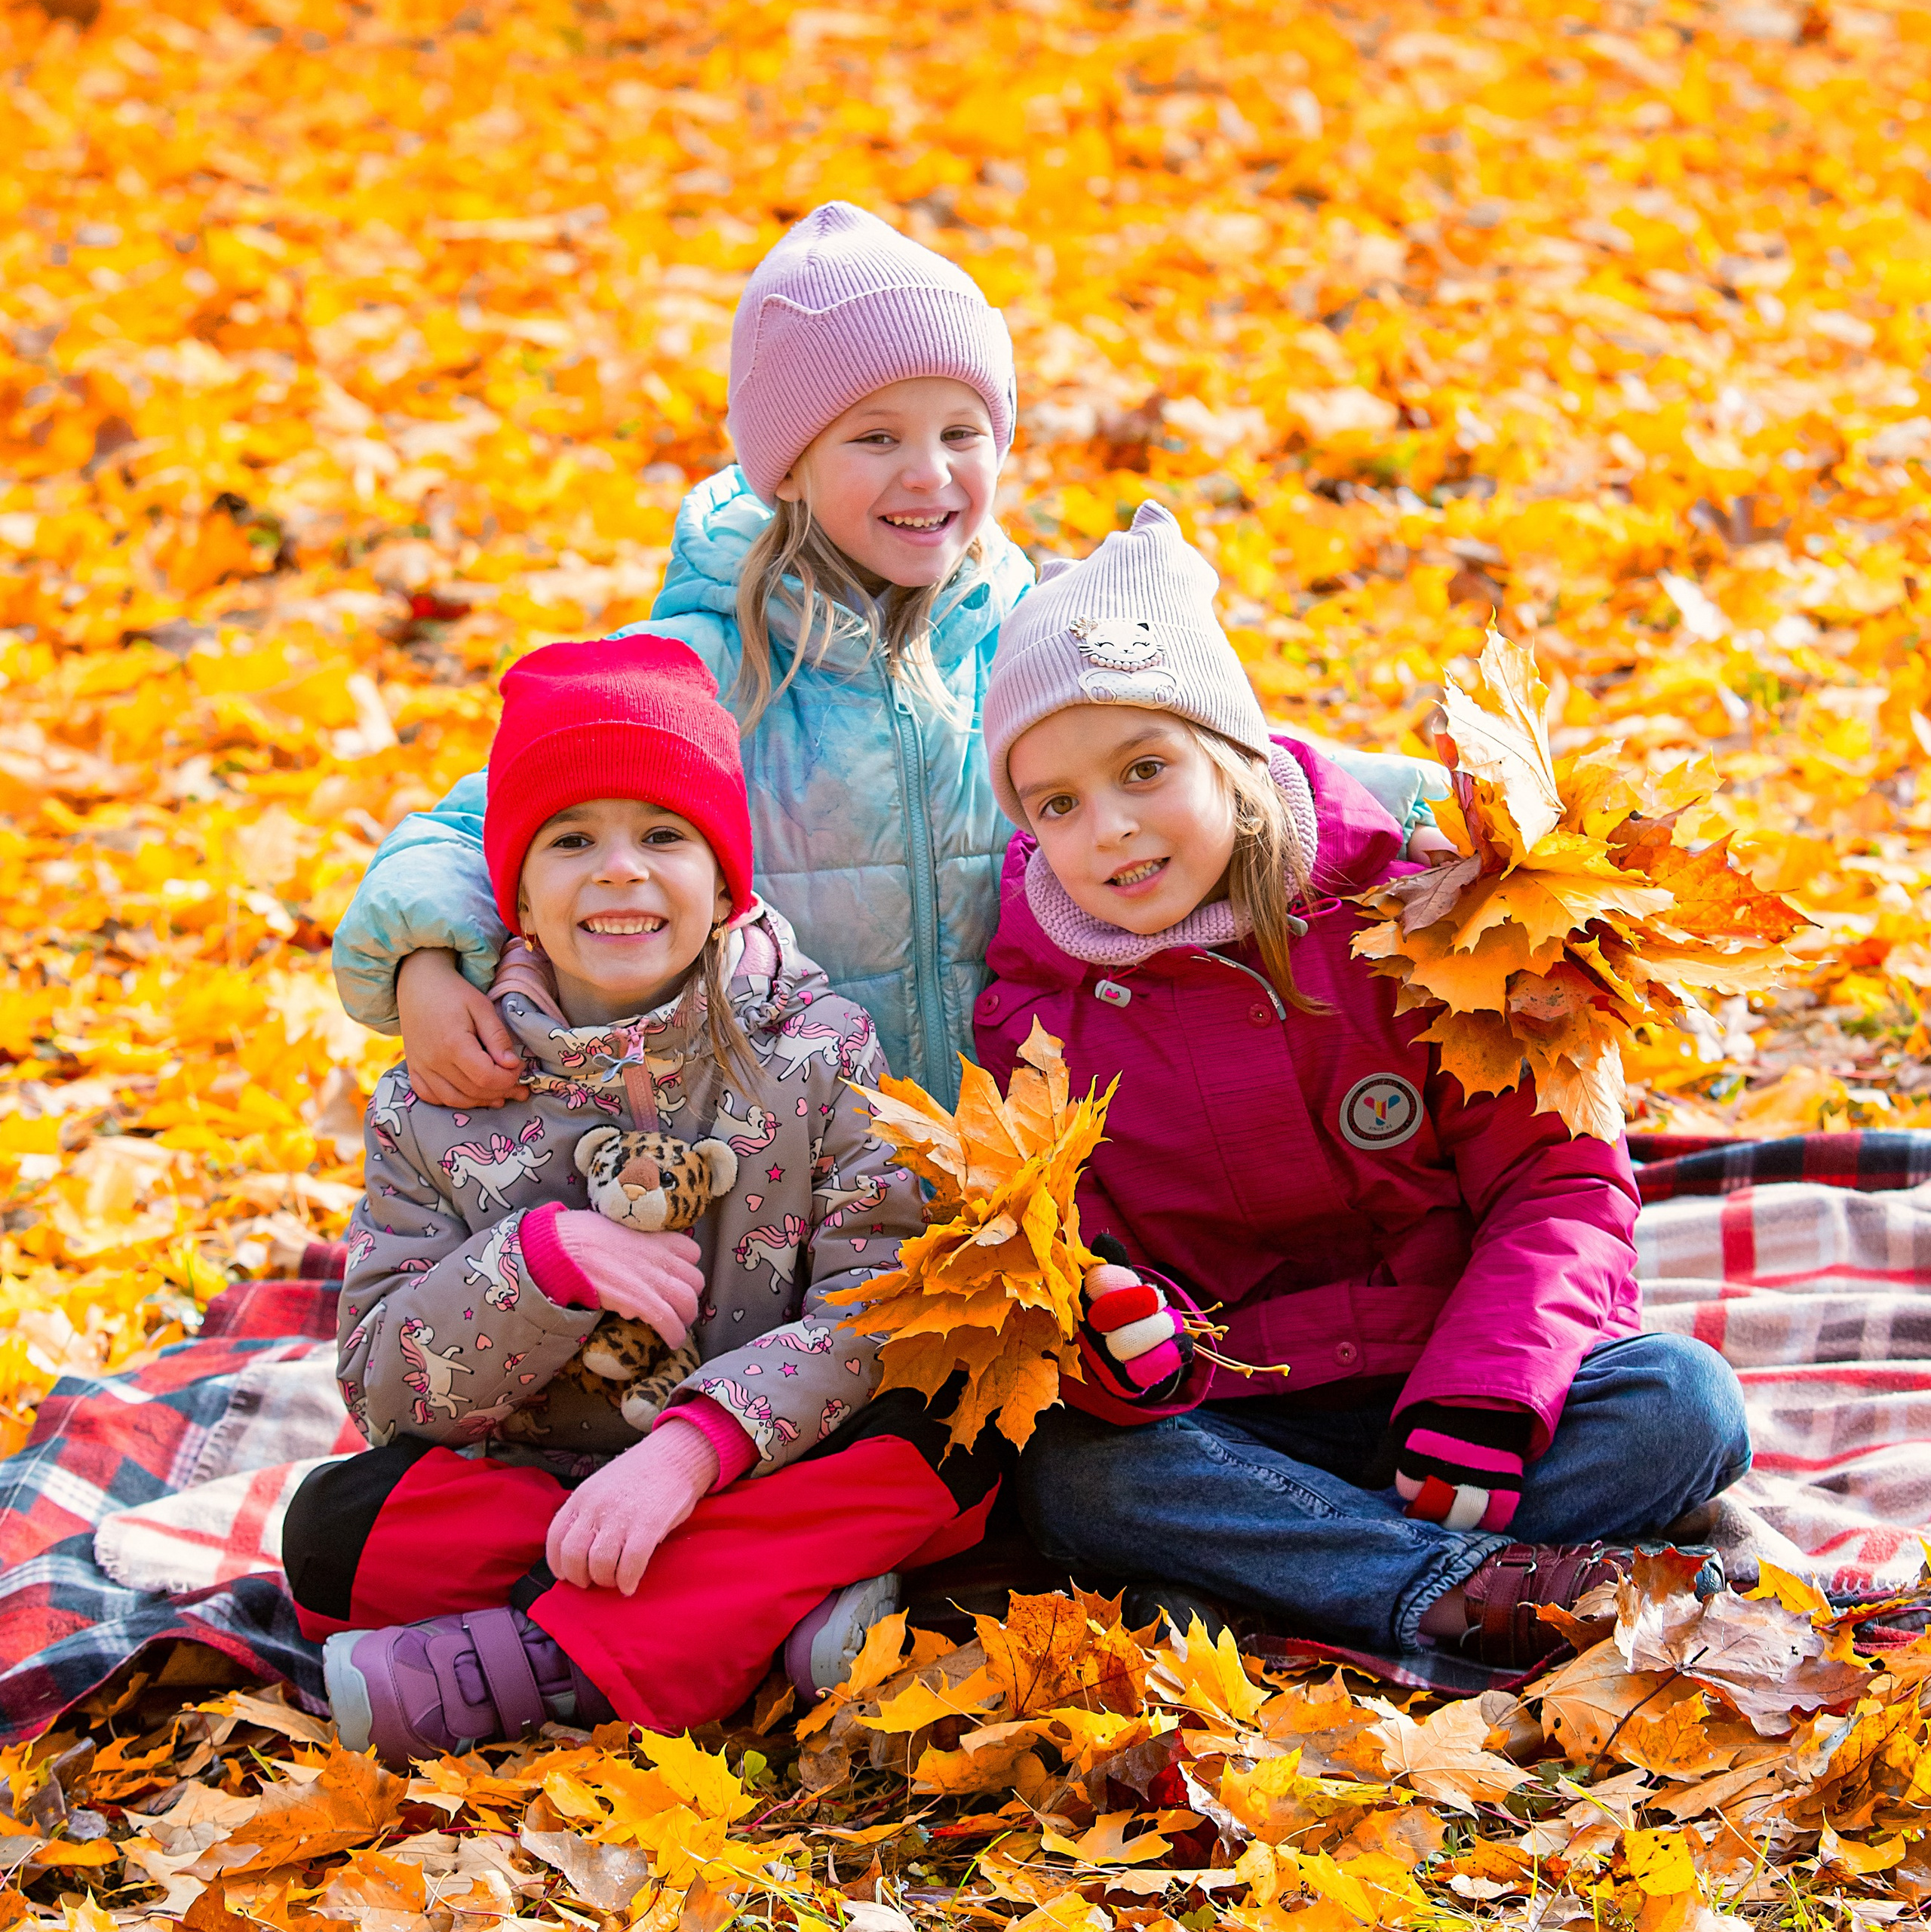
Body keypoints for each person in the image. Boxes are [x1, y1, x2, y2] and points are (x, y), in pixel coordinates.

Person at [327, 200, 1450, 1117]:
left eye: (961, 432)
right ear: (790, 466)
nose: (929, 474)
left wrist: (1457, 813)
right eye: (875, 437)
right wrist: (424, 969)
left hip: (1038, 1158)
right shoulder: (695, 668)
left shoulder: (1044, 634)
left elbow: (1244, 762)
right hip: (789, 1180)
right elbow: (471, 829)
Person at [973, 501, 1754, 1676]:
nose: (1112, 829)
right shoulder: (1035, 1007)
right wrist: (1130, 1341)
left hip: (1471, 1385)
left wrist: (1489, 1397)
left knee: (1685, 1404)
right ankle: (1441, 1588)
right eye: (1059, 804)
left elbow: (1558, 1178)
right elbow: (1073, 1261)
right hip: (1245, 1418)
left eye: (1146, 768)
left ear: (1233, 753)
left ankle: (1288, 1580)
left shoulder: (1420, 916)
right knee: (1079, 1476)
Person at [284, 637, 1001, 1765]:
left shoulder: (823, 1050)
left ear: (727, 882)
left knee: (948, 1443)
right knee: (334, 1533)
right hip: (539, 1489)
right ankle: (768, 1623)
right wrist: (537, 1265)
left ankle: (540, 1660)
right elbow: (385, 1389)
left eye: (664, 836)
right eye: (573, 841)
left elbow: (879, 1309)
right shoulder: (438, 1095)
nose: (620, 870)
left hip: (765, 1467)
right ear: (515, 893)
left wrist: (696, 1448)